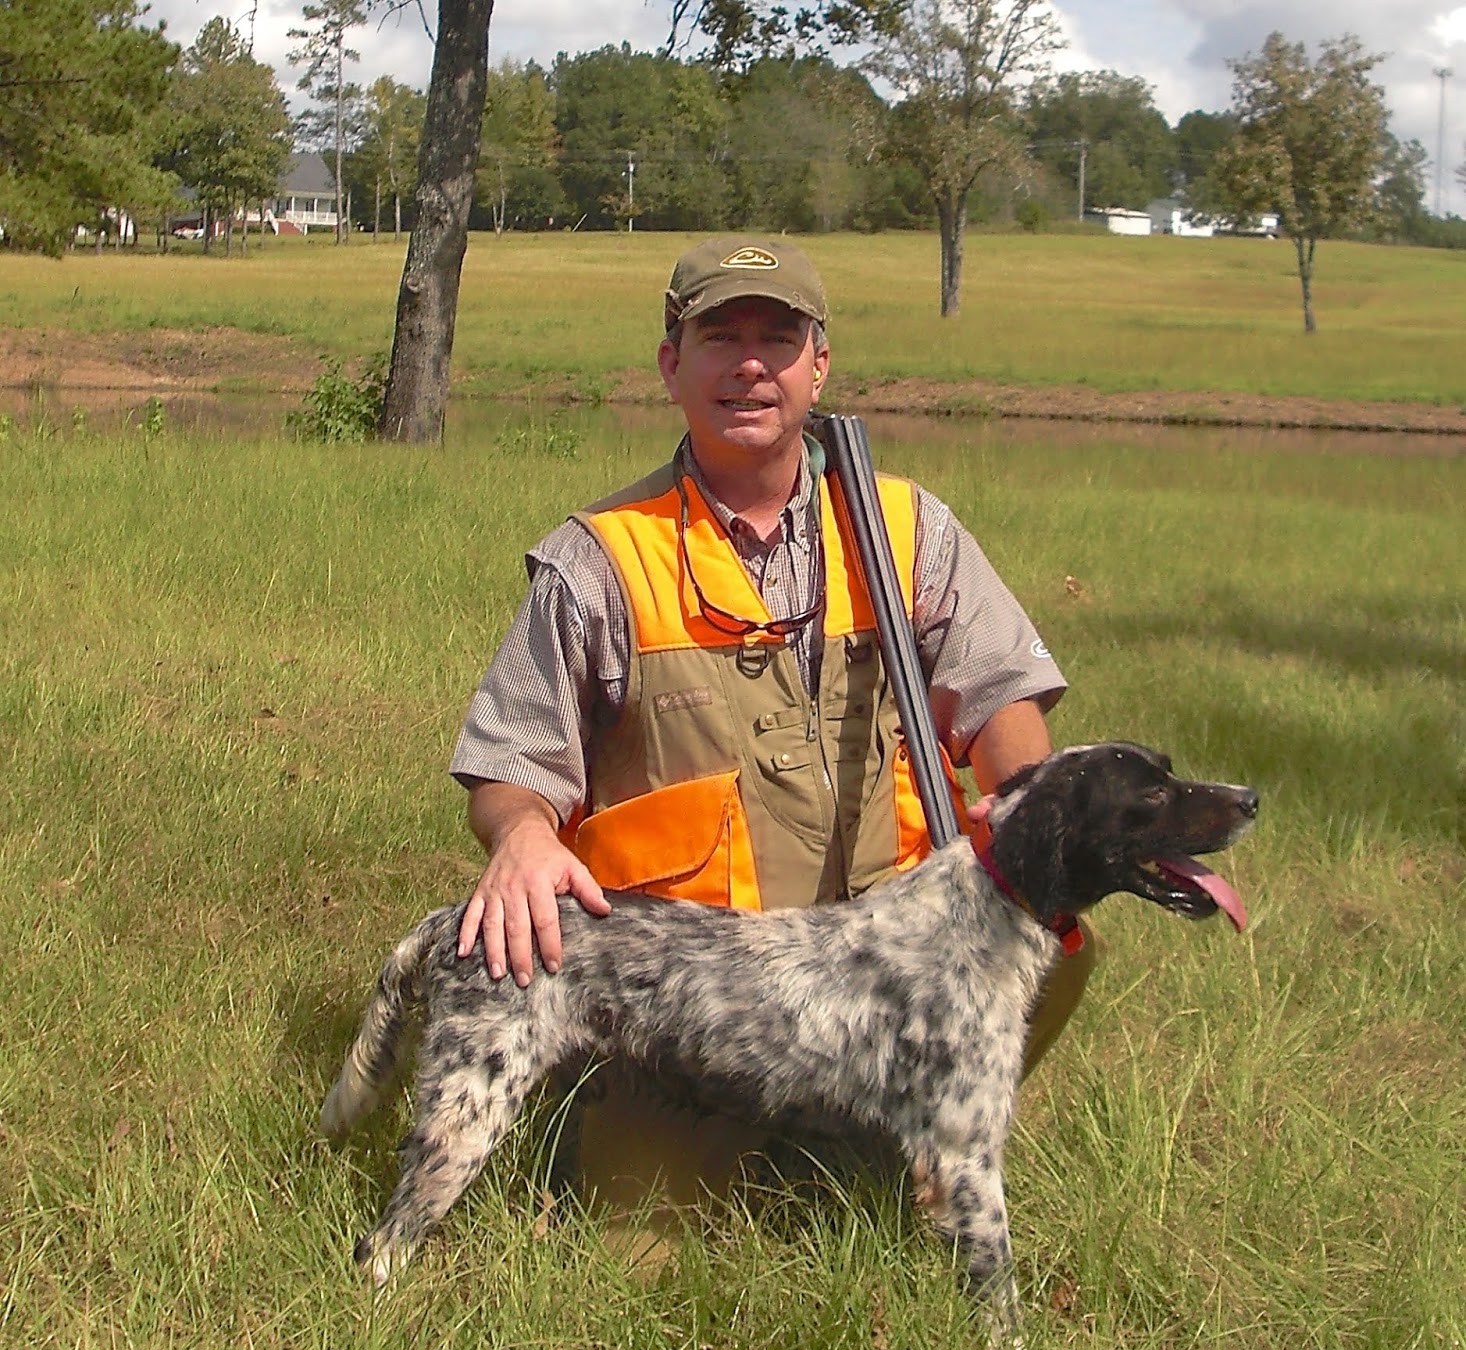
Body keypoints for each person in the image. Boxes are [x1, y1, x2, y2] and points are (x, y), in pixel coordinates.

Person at [449, 236, 1093, 1216]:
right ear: (671, 362)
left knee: (1060, 929)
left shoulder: (905, 527)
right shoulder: (597, 558)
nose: (750, 364)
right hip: (689, 1017)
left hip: (875, 992)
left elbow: (1002, 698)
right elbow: (511, 763)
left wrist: (1028, 822)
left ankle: (923, 1134)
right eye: (720, 337)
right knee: (644, 1264)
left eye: (777, 338)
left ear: (818, 363)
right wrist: (523, 838)